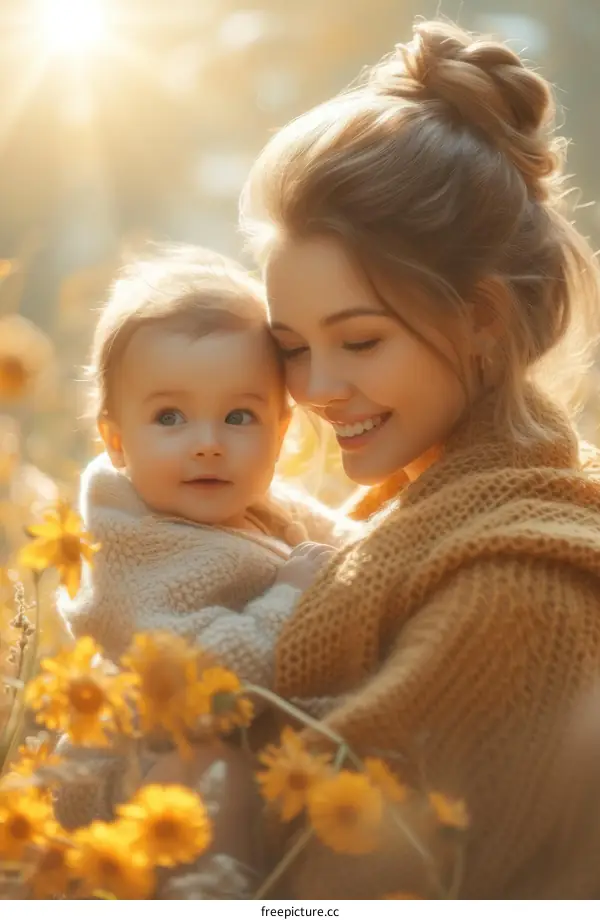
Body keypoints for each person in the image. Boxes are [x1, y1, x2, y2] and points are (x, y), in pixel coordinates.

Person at [147, 19, 600, 899]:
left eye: (359, 340)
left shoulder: (519, 590)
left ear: (482, 317)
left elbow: (322, 891)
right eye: (292, 346)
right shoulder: (405, 507)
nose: (316, 387)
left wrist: (188, 771)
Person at [55, 245, 352, 830]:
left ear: (280, 431)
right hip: (141, 788)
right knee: (207, 772)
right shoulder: (129, 552)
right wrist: (289, 598)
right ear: (116, 442)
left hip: (264, 741)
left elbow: (352, 541)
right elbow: (206, 679)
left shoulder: (252, 498)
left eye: (239, 417)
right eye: (170, 417)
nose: (208, 443)